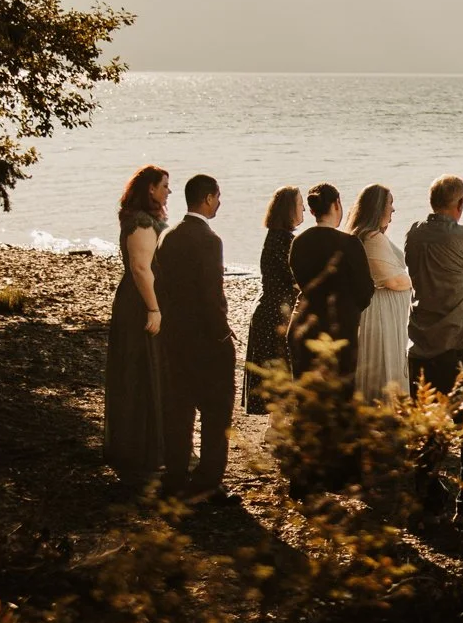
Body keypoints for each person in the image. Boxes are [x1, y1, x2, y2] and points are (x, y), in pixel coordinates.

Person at [406, 173, 463, 518]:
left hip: (421, 342)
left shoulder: (414, 234)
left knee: (429, 425)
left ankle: (427, 496)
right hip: (460, 345)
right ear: (460, 205)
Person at [154, 173, 236, 501]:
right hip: (205, 339)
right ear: (207, 199)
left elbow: (164, 288)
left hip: (175, 336)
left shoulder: (169, 236)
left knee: (179, 410)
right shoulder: (209, 240)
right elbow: (210, 295)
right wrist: (222, 335)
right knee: (217, 411)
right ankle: (207, 482)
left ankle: (175, 477)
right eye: (217, 197)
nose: (219, 203)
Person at [104, 165, 170, 481]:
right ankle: (140, 451)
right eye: (165, 186)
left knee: (148, 371)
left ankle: (147, 447)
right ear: (150, 190)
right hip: (139, 304)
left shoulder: (142, 220)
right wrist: (154, 309)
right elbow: (141, 269)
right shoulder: (141, 224)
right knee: (142, 372)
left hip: (140, 301)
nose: (169, 192)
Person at [287, 183, 373, 379]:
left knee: (307, 396)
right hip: (340, 328)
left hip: (305, 325)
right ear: (337, 204)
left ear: (311, 210)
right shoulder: (350, 243)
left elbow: (300, 280)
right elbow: (365, 291)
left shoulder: (299, 242)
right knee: (339, 396)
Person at [348, 183, 413, 401]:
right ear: (378, 207)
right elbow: (392, 280)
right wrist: (417, 281)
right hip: (381, 316)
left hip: (386, 314)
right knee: (385, 365)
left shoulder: (369, 236)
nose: (393, 210)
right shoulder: (371, 238)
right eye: (390, 203)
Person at [242, 185, 301, 415]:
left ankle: (275, 425)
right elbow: (295, 278)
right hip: (276, 311)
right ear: (289, 209)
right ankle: (276, 427)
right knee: (279, 367)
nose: (304, 208)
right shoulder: (284, 241)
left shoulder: (275, 237)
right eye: (299, 204)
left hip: (268, 307)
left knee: (274, 368)